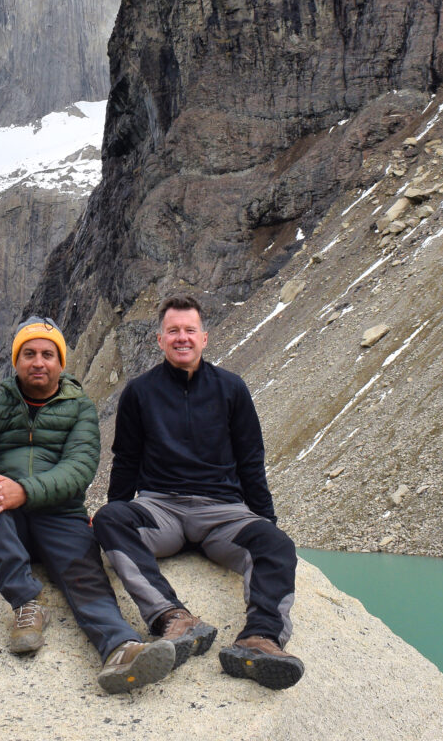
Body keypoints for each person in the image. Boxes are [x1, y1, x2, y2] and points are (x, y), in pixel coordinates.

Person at [0, 316, 177, 694]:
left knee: (84, 576)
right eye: (29, 353)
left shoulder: (80, 408)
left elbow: (79, 468)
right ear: (16, 361)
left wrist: (24, 490)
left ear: (61, 363)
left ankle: (120, 647)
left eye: (48, 354)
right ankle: (26, 603)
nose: (39, 361)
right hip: (8, 522)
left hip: (61, 516)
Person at [92, 294, 305, 689]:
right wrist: (112, 515)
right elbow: (125, 460)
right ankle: (175, 619)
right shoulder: (139, 393)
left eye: (190, 330)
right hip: (160, 509)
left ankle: (260, 639)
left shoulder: (232, 389)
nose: (182, 338)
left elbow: (251, 460)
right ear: (160, 339)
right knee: (110, 518)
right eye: (173, 331)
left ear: (204, 338)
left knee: (275, 543)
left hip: (223, 511)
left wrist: (265, 522)